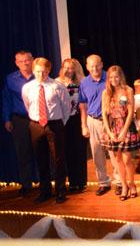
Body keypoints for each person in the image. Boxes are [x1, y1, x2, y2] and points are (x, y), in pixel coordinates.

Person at [22, 57, 70, 203]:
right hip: (36, 125)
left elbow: (66, 107)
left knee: (58, 159)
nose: (40, 75)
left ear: (48, 70)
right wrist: (36, 120)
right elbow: (27, 105)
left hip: (54, 125)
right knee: (41, 159)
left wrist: (59, 123)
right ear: (33, 70)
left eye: (43, 72)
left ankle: (61, 191)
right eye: (37, 71)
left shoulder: (58, 86)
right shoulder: (27, 87)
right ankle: (45, 192)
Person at [79, 54, 117, 195]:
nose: (94, 68)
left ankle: (119, 182)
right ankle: (103, 183)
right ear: (87, 67)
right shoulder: (84, 83)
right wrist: (84, 125)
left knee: (114, 153)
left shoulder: (111, 77)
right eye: (91, 66)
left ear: (102, 64)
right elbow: (83, 105)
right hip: (93, 120)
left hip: (111, 121)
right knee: (97, 154)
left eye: (97, 65)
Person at [101, 65, 140, 201]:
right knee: (117, 160)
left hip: (126, 127)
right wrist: (109, 132)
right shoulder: (106, 93)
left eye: (116, 76)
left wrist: (124, 131)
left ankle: (132, 184)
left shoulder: (128, 90)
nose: (114, 79)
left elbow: (130, 112)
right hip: (112, 128)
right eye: (111, 77)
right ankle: (124, 186)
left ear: (121, 77)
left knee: (127, 159)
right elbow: (104, 114)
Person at [4, 50, 35, 196]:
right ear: (16, 63)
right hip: (19, 120)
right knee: (23, 153)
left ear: (32, 60)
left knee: (41, 151)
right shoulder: (10, 79)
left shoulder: (40, 76)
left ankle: (45, 182)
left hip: (37, 119)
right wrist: (6, 119)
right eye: (21, 61)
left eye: (27, 60)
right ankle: (26, 184)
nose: (24, 64)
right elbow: (6, 100)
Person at [58, 57, 87, 193]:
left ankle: (80, 182)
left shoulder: (82, 83)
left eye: (71, 68)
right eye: (66, 67)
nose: (69, 70)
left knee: (79, 151)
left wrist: (84, 124)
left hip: (77, 119)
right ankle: (71, 182)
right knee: (67, 151)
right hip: (63, 121)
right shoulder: (57, 83)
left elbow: (84, 105)